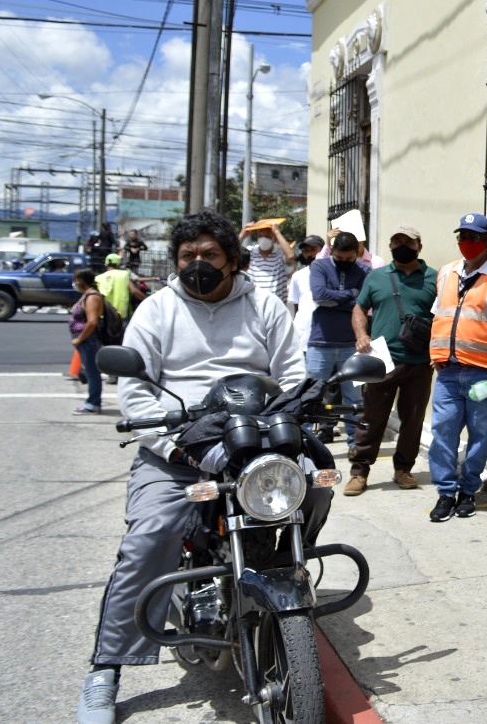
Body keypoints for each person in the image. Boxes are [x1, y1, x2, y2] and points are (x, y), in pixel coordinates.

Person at [75, 210, 312, 724]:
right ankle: (106, 668)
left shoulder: (264, 305)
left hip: (251, 444)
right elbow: (135, 392)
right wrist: (177, 448)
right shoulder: (157, 309)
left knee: (311, 490)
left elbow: (292, 375)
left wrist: (290, 419)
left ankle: (281, 592)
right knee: (150, 535)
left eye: (209, 254)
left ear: (233, 260)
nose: (197, 263)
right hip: (176, 450)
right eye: (187, 256)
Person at [426, 213, 487, 522]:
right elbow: (440, 315)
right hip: (448, 371)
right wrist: (436, 352)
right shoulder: (447, 273)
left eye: (474, 237)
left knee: (480, 436)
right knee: (442, 434)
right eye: (462, 237)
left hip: (484, 372)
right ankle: (445, 493)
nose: (466, 243)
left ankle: (468, 491)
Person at [348, 225, 438, 495]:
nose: (402, 246)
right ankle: (359, 472)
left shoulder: (435, 278)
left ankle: (403, 469)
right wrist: (361, 335)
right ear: (389, 246)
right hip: (382, 360)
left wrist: (439, 351)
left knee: (413, 419)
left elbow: (445, 316)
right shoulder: (376, 277)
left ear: (419, 246)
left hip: (420, 361)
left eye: (408, 242)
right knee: (371, 417)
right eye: (397, 242)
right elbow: (359, 308)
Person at [307, 231, 371, 449]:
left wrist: (338, 300)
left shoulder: (365, 271)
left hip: (352, 344)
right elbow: (320, 296)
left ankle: (355, 445)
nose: (344, 261)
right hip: (320, 343)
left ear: (357, 253)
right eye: (339, 257)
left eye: (348, 258)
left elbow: (363, 304)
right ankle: (304, 441)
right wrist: (352, 294)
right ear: (332, 250)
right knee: (311, 395)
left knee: (354, 399)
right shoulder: (320, 266)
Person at [69, 268, 105, 416]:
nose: (74, 283)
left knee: (92, 372)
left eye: (75, 280)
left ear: (80, 280)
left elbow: (92, 322)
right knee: (89, 370)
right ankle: (92, 401)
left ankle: (93, 404)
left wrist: (80, 338)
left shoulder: (92, 297)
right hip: (85, 340)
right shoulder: (87, 295)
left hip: (88, 340)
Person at [287, 235, 326, 353]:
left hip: (325, 336)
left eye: (313, 250)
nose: (309, 254)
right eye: (306, 251)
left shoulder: (332, 274)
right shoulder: (297, 276)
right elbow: (296, 307)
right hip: (303, 336)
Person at [240, 220, 295, 302]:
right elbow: (229, 254)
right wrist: (242, 235)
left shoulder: (280, 254)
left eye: (267, 236)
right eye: (260, 236)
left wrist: (277, 232)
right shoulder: (250, 252)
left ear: (274, 238)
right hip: (254, 303)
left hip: (276, 304)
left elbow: (290, 256)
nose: (263, 239)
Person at [94, 253, 144, 320]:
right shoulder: (124, 274)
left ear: (106, 264)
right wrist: (145, 299)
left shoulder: (98, 278)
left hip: (104, 314)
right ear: (118, 264)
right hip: (121, 314)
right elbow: (134, 291)